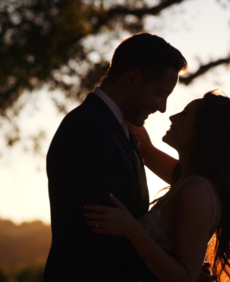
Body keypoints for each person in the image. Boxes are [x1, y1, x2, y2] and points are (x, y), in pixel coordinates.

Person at [44, 33, 187, 281]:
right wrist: (177, 274)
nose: (163, 107)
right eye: (160, 93)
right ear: (132, 79)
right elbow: (103, 231)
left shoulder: (121, 130)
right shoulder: (86, 128)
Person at [83, 91, 230, 281]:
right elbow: (147, 150)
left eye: (184, 114)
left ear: (204, 131)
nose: (172, 117)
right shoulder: (187, 177)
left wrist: (131, 229)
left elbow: (185, 278)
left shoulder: (197, 190)